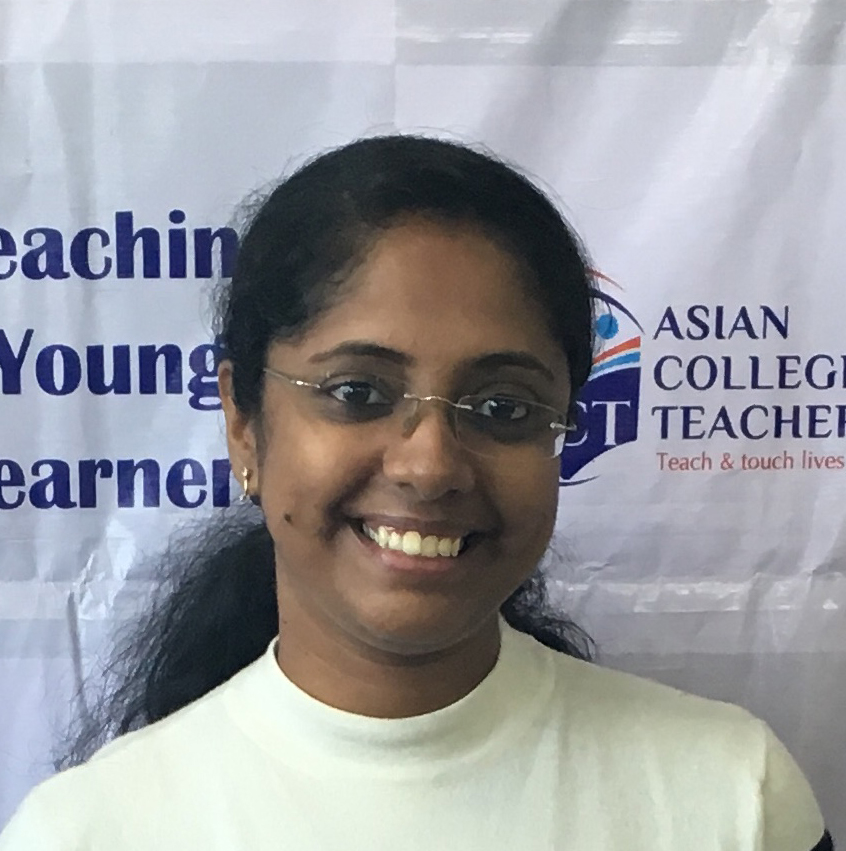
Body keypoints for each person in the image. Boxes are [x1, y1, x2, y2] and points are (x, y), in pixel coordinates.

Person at [0, 135, 832, 850]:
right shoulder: (88, 831)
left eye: (502, 407)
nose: (430, 465)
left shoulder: (733, 800)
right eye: (357, 392)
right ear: (243, 424)